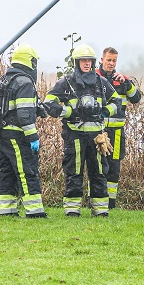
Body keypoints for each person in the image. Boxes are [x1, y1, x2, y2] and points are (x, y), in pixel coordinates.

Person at [42, 44, 122, 217]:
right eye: (83, 61)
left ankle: (100, 211)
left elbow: (117, 101)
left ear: (94, 63)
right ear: (76, 62)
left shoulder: (102, 82)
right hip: (75, 136)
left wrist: (106, 111)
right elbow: (48, 102)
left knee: (99, 173)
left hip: (97, 138)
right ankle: (72, 210)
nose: (87, 64)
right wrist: (68, 112)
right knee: (74, 172)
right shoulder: (67, 83)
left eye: (89, 61)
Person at [0, 44, 47, 218]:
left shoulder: (5, 79)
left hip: (2, 133)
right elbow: (24, 114)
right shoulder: (24, 82)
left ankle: (7, 210)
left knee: (7, 171)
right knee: (26, 171)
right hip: (18, 134)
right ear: (30, 61)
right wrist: (33, 137)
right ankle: (34, 211)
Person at [96, 46, 142, 209]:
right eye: (108, 60)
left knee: (114, 167)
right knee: (97, 166)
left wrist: (127, 83)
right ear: (102, 60)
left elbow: (136, 98)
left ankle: (111, 203)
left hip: (116, 132)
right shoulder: (93, 78)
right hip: (97, 131)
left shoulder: (121, 80)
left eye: (114, 60)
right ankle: (94, 200)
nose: (111, 63)